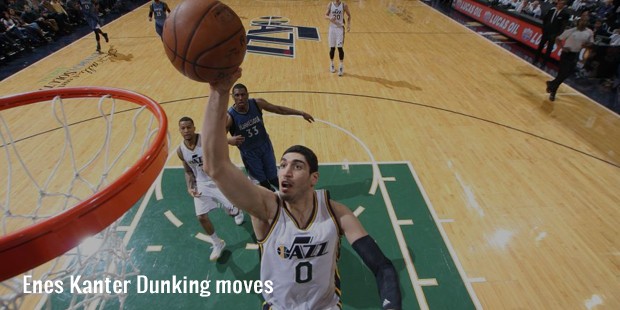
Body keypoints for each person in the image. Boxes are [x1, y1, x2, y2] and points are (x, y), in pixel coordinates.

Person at [201, 69, 402, 310]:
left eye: (296, 167)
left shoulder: (338, 214)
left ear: (313, 178)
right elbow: (215, 166)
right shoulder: (267, 208)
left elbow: (384, 268)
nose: (285, 171)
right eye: (283, 165)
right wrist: (218, 92)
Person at [177, 116, 245, 262]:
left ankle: (236, 210)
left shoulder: (205, 138)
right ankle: (217, 242)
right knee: (201, 216)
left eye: (189, 127)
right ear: (180, 130)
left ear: (194, 127)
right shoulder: (181, 150)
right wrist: (190, 187)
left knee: (233, 212)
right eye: (183, 128)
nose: (186, 130)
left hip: (218, 178)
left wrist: (230, 141)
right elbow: (188, 171)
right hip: (201, 183)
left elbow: (218, 139)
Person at [226, 83, 314, 191]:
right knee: (263, 185)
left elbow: (278, 109)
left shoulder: (257, 103)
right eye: (237, 95)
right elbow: (216, 138)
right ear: (232, 97)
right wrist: (229, 140)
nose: (240, 98)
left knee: (274, 178)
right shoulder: (229, 117)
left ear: (247, 95)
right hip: (250, 154)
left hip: (265, 146)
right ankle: (273, 204)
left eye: (243, 95)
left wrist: (301, 113)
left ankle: (288, 198)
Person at [546, 15, 594, 101]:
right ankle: (553, 92)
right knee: (562, 73)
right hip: (566, 54)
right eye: (582, 20)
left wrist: (587, 45)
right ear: (579, 21)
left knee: (566, 74)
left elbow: (591, 43)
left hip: (575, 54)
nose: (584, 22)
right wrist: (562, 47)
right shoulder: (571, 31)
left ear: (588, 23)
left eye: (586, 21)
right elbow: (558, 39)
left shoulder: (589, 32)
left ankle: (552, 83)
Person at [533, 0, 569, 67]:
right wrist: (544, 29)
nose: (559, 4)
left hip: (554, 34)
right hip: (546, 32)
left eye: (561, 3)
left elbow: (563, 27)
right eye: (558, 3)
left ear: (564, 5)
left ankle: (543, 63)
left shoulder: (565, 14)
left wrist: (557, 35)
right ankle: (535, 60)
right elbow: (545, 20)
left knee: (549, 49)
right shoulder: (551, 11)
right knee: (540, 46)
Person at [325, 0, 351, 76]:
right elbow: (325, 15)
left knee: (340, 48)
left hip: (340, 29)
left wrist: (348, 25)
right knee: (332, 48)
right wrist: (329, 18)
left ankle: (341, 66)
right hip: (332, 29)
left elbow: (349, 15)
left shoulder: (344, 5)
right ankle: (332, 64)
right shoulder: (330, 4)